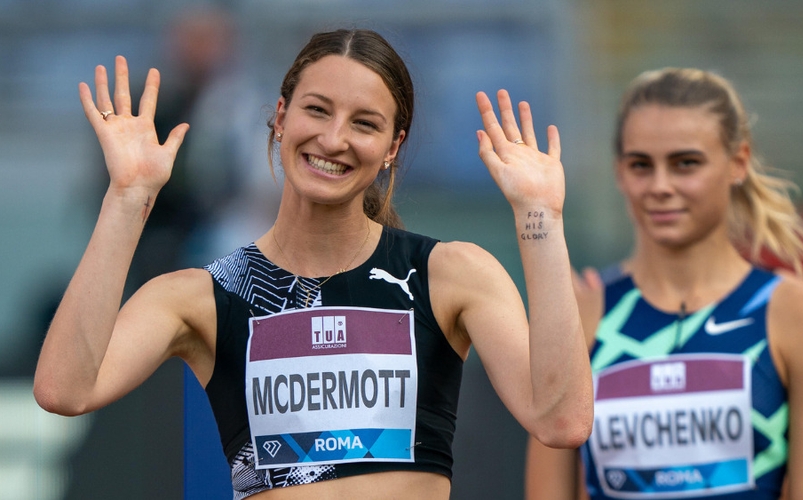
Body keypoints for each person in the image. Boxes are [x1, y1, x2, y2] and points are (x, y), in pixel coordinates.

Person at [34, 29, 593, 499]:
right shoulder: (206, 295)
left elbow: (561, 420)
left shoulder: (450, 274)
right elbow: (65, 390)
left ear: (393, 147)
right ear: (280, 117)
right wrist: (128, 198)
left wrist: (539, 215)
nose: (333, 139)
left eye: (365, 124)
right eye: (316, 110)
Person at [524, 68, 803, 500]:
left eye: (685, 163)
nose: (660, 186)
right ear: (619, 171)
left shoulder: (801, 317)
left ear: (738, 162)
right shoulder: (581, 315)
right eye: (640, 165)